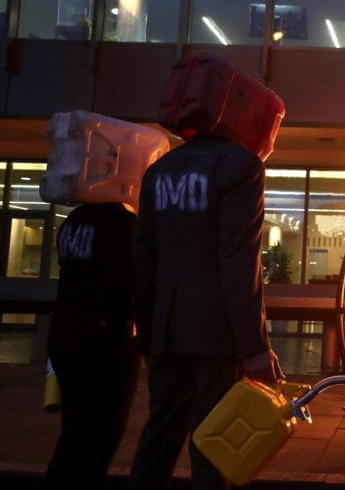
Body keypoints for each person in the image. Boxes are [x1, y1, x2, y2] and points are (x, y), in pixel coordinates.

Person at [128, 131, 283, 490]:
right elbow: (239, 260)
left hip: (167, 326)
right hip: (217, 331)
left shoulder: (160, 170)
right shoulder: (242, 166)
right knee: (214, 443)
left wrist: (149, 335)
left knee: (159, 437)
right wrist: (255, 347)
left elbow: (145, 257)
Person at [45, 202, 141, 489]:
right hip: (106, 343)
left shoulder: (75, 218)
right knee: (101, 440)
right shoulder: (123, 224)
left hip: (66, 333)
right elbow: (125, 283)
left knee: (73, 435)